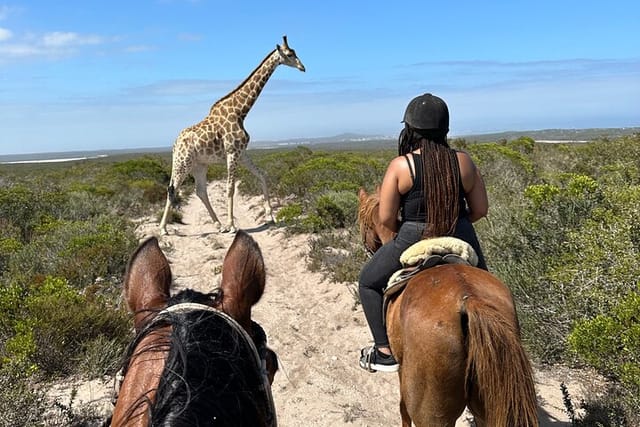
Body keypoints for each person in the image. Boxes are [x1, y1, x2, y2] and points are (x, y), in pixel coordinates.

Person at [358, 93, 489, 373]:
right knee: (490, 291)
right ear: (446, 129)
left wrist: (403, 235)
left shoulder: (401, 165)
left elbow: (386, 217)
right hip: (461, 232)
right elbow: (479, 209)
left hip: (414, 235)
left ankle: (384, 351)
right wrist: (456, 223)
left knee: (367, 282)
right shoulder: (464, 162)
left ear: (410, 129)